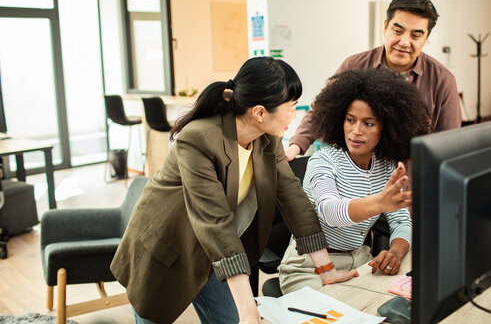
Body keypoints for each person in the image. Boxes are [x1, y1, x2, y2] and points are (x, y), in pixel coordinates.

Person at [110, 57, 358, 324]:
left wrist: (325, 268)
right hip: (167, 249)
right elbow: (215, 221)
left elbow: (293, 197)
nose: (294, 116)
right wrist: (249, 310)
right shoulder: (198, 139)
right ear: (260, 112)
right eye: (291, 107)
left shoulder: (267, 140)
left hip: (218, 253)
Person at [279, 68, 431, 294]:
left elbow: (401, 221)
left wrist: (396, 252)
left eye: (368, 123)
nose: (355, 131)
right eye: (350, 120)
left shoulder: (386, 167)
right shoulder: (323, 162)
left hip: (360, 259)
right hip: (309, 267)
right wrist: (380, 202)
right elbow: (330, 211)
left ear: (387, 128)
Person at [285, 0, 461, 161]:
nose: (404, 42)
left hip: (410, 184)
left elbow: (449, 146)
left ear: (426, 38)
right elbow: (320, 111)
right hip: (355, 180)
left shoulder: (442, 81)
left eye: (415, 35)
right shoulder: (354, 65)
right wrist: (296, 146)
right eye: (398, 31)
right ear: (385, 27)